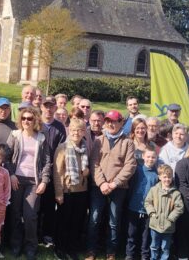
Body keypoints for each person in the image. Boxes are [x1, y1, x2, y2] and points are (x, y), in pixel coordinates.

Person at [87, 110, 136, 260]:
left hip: (118, 188)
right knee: (94, 219)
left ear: (121, 122)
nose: (110, 123)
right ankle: (91, 250)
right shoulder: (98, 141)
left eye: (114, 121)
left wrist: (114, 183)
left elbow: (130, 166)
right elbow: (94, 163)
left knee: (114, 221)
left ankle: (111, 252)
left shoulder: (128, 142)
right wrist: (102, 183)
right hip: (98, 187)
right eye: (108, 121)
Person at [5, 107, 52, 260]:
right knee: (15, 213)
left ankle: (31, 246)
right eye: (24, 118)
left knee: (30, 215)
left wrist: (44, 181)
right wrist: (11, 174)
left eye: (30, 118)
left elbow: (46, 162)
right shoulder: (15, 135)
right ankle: (16, 244)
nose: (26, 121)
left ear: (35, 120)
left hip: (34, 182)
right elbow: (6, 157)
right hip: (17, 179)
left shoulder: (41, 138)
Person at [51, 119, 90, 260]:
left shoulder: (85, 147)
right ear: (69, 131)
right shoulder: (62, 147)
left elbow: (87, 168)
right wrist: (58, 193)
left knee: (76, 221)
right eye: (73, 130)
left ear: (84, 132)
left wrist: (87, 172)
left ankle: (71, 248)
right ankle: (60, 248)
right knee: (64, 221)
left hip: (81, 190)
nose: (76, 133)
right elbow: (57, 172)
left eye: (79, 130)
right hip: (67, 191)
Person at [38, 96, 66, 246]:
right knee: (36, 206)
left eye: (51, 106)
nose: (48, 109)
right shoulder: (35, 122)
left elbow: (62, 151)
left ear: (55, 108)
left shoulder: (59, 127)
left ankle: (47, 235)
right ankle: (35, 234)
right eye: (46, 106)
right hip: (35, 171)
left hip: (53, 171)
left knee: (49, 206)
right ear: (41, 107)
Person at [144, 164, 184, 260]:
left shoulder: (176, 193)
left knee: (165, 248)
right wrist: (152, 213)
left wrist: (170, 218)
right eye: (164, 177)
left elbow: (179, 208)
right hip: (155, 225)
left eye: (169, 177)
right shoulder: (154, 190)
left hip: (168, 226)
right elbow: (147, 202)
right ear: (159, 177)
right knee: (154, 246)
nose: (167, 179)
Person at [125, 149, 158, 260]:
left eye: (153, 157)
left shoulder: (157, 174)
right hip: (134, 207)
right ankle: (130, 254)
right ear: (143, 156)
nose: (150, 159)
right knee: (131, 233)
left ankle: (144, 255)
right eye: (148, 156)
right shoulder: (137, 170)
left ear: (156, 158)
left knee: (146, 235)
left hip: (148, 210)